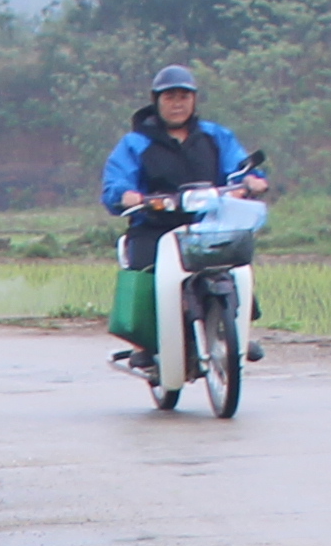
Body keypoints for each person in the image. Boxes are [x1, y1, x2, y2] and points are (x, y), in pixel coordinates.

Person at [98, 67, 265, 374]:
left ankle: (234, 332)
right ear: (156, 101)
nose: (178, 104)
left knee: (234, 261)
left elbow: (239, 169)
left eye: (184, 97)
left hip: (207, 225)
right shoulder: (135, 143)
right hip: (154, 226)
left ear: (194, 100)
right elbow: (116, 184)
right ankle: (146, 343)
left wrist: (250, 181)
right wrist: (127, 196)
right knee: (146, 271)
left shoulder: (216, 136)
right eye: (170, 97)